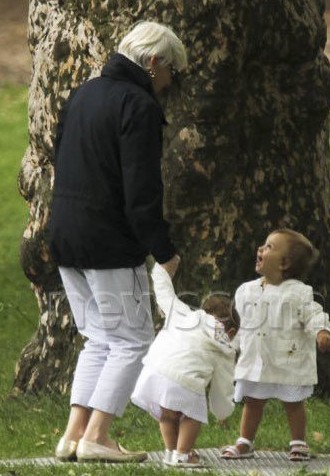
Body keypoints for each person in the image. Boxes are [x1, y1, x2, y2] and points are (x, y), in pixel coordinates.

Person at [49, 21, 187, 463]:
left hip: (66, 237)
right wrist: (164, 252)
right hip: (108, 242)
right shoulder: (137, 106)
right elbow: (141, 191)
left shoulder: (83, 95)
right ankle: (99, 437)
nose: (170, 83)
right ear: (152, 63)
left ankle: (73, 437)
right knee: (131, 341)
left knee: (99, 339)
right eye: (171, 72)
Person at [221, 228, 330, 462]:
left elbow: (314, 314)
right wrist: (229, 346)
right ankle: (245, 442)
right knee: (253, 402)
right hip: (256, 358)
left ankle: (298, 442)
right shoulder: (246, 291)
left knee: (293, 402)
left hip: (287, 359)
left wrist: (322, 332)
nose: (261, 249)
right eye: (263, 245)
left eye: (269, 247)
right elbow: (244, 325)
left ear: (284, 263)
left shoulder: (298, 293)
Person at [131, 262, 240, 468]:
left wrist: (161, 269)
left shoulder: (182, 313)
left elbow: (165, 294)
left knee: (167, 415)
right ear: (232, 332)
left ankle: (170, 451)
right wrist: (222, 411)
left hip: (154, 371)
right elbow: (223, 387)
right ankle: (183, 455)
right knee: (192, 416)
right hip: (185, 380)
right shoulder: (224, 348)